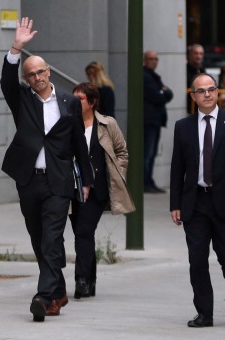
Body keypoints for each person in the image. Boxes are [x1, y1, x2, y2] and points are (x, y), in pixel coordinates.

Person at [0, 17, 93, 322]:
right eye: (31, 74)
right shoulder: (22, 101)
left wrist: (87, 179)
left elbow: (80, 143)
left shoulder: (68, 103)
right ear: (27, 79)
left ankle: (42, 296)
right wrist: (16, 48)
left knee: (52, 238)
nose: (37, 76)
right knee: (39, 238)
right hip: (29, 180)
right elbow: (5, 81)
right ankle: (58, 292)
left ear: (49, 72)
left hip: (59, 181)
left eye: (41, 71)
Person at [170, 73, 225, 328]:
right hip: (196, 203)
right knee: (197, 259)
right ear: (193, 96)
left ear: (217, 93)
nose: (207, 94)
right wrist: (175, 203)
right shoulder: (183, 127)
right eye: (201, 91)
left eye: (211, 89)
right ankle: (205, 312)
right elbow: (177, 168)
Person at [68, 82, 135, 300]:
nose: (75, 102)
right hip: (73, 188)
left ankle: (81, 280)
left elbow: (122, 151)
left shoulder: (107, 124)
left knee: (83, 232)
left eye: (80, 99)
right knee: (82, 233)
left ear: (92, 102)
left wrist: (118, 175)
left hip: (98, 189)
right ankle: (91, 280)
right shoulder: (67, 123)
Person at [143, 50, 174, 194]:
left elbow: (169, 94)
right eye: (151, 59)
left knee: (152, 152)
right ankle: (145, 182)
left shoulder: (154, 77)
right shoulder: (145, 76)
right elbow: (158, 96)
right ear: (145, 60)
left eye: (156, 59)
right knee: (147, 153)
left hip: (155, 120)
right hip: (148, 121)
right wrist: (163, 92)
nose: (154, 61)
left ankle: (149, 180)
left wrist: (164, 92)